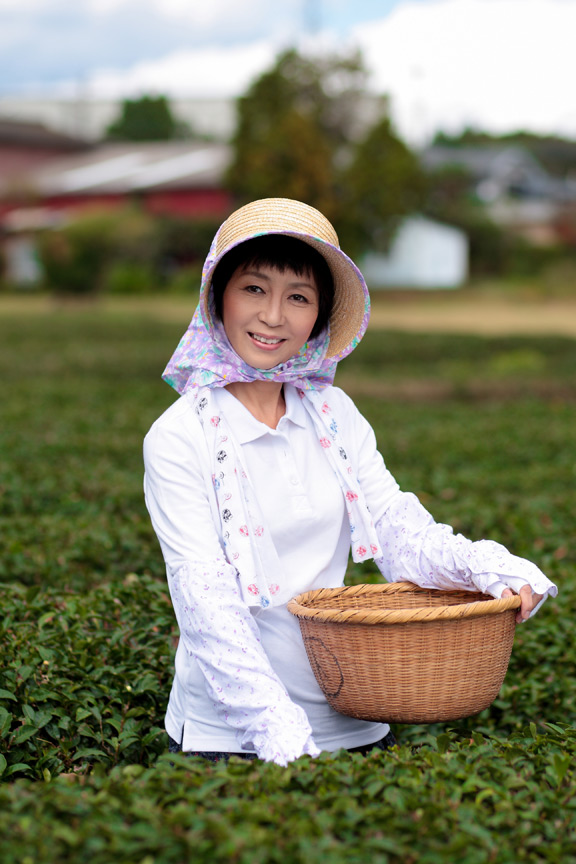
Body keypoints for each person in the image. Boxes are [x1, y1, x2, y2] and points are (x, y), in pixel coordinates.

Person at [143, 197, 557, 767]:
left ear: (319, 316)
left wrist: (484, 567)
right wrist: (277, 730)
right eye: (254, 289)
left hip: (356, 713)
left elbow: (395, 529)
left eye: (298, 298)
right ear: (217, 299)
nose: (272, 316)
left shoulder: (333, 412)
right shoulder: (178, 436)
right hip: (230, 737)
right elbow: (204, 598)